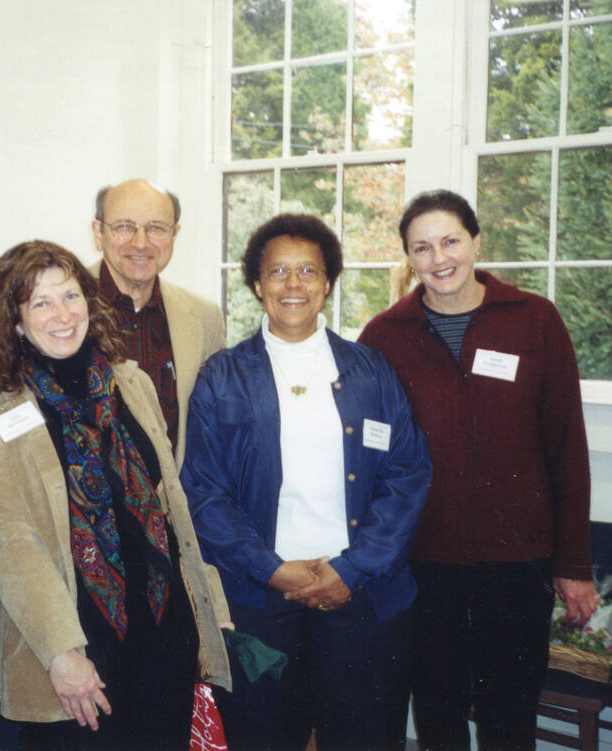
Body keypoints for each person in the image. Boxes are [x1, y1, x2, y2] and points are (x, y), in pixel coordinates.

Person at [0, 240, 231, 751]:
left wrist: (207, 600)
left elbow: (170, 507)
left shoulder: (130, 381)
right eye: (41, 303)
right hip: (76, 638)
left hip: (165, 627)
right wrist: (61, 651)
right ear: (14, 320)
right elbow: (14, 539)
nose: (62, 315)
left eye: (70, 296)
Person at [358, 189, 600, 751]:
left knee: (509, 720)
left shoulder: (534, 320)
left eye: (450, 241)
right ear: (408, 259)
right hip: (424, 564)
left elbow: (567, 448)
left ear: (476, 243)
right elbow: (369, 454)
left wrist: (574, 564)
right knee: (437, 716)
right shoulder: (384, 336)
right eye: (422, 248)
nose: (439, 258)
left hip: (519, 562)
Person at [181, 214, 431, 751]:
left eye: (308, 271)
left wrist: (351, 568)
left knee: (361, 738)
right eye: (278, 271)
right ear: (257, 284)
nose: (293, 284)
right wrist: (272, 570)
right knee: (263, 736)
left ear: (328, 282)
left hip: (359, 594)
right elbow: (203, 493)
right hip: (259, 599)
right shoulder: (221, 377)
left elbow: (407, 474)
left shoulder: (372, 371)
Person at [91, 179, 224, 461]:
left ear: (174, 234)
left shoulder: (205, 317)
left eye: (156, 228)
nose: (141, 243)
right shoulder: (58, 309)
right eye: (124, 227)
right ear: (98, 233)